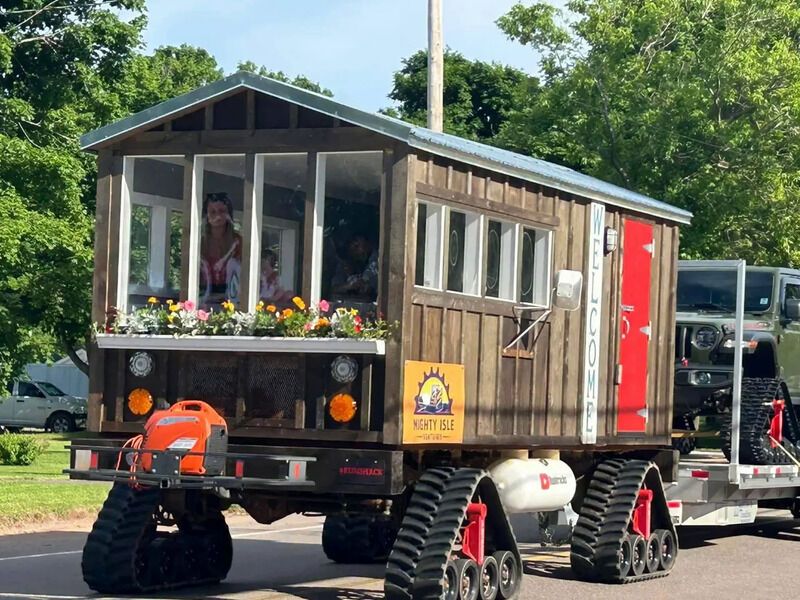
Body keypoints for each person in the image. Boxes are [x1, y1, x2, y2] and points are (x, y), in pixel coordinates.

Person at [199, 192, 242, 308]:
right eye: (212, 212)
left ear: (228, 215)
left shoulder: (237, 241)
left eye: (222, 211)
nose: (217, 216)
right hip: (203, 297)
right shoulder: (199, 242)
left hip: (231, 299)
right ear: (206, 216)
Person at [331, 234, 379, 301]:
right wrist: (348, 286)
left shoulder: (376, 261)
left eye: (357, 246)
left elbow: (368, 287)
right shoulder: (345, 265)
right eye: (352, 249)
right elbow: (333, 289)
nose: (357, 251)